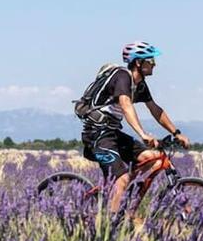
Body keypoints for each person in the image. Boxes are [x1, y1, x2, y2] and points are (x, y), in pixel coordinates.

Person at [81, 41, 191, 214]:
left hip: (113, 133)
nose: (154, 64)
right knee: (122, 178)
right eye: (150, 60)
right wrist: (142, 134)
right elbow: (125, 104)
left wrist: (176, 132)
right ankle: (111, 225)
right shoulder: (122, 76)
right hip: (97, 135)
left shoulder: (139, 84)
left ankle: (123, 202)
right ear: (138, 62)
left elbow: (155, 109)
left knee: (152, 158)